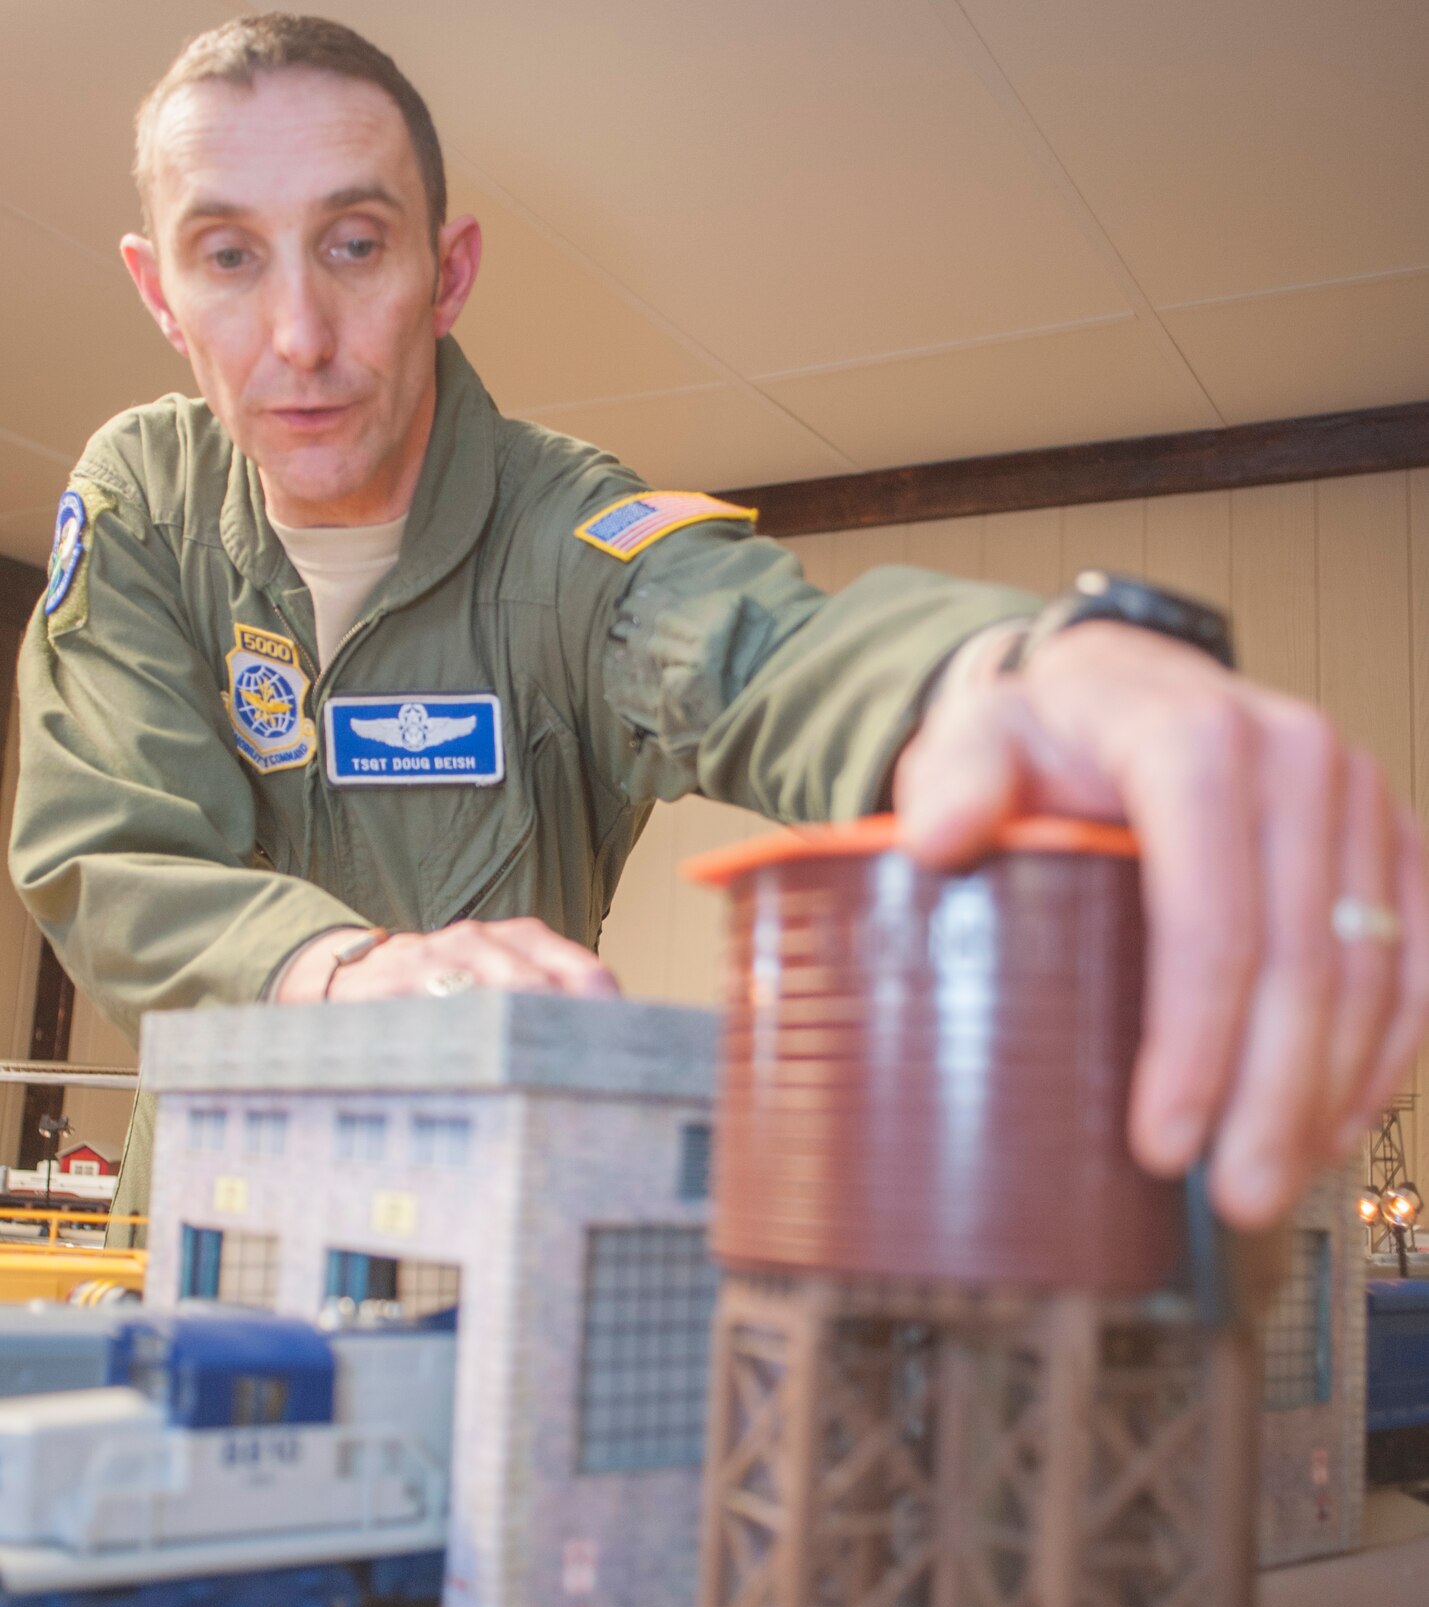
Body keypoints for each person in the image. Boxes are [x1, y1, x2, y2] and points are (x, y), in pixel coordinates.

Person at [9, 13, 1428, 1239]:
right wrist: (351, 971)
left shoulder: (568, 531)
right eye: (228, 256)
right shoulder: (142, 496)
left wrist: (993, 676)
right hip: (202, 1202)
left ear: (445, 274)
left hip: (496, 1227)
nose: (300, 334)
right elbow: (106, 852)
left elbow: (752, 648)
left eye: (355, 244)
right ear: (159, 293)